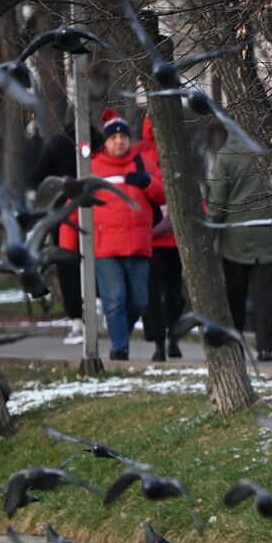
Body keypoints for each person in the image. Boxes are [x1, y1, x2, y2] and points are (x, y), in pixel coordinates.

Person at [57, 111, 165, 361]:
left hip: (139, 247)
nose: (119, 141)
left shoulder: (143, 164)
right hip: (106, 249)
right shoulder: (92, 167)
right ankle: (119, 350)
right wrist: (67, 248)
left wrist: (147, 183)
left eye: (123, 136)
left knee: (139, 302)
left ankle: (120, 334)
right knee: (114, 300)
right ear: (105, 142)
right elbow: (73, 208)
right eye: (113, 137)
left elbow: (161, 196)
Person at [208, 132, 272, 361]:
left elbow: (217, 203)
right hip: (265, 233)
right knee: (265, 295)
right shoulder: (269, 153)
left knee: (234, 295)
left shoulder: (227, 155)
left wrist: (210, 233)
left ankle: (235, 342)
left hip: (234, 237)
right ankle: (265, 347)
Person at [31, 115, 101, 346]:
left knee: (68, 267)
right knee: (97, 259)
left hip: (63, 215)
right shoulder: (100, 142)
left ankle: (76, 323)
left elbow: (37, 176)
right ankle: (99, 306)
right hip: (97, 212)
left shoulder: (58, 144)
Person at [136, 116, 185, 362]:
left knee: (153, 291)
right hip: (175, 236)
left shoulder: (139, 154)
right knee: (173, 289)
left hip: (151, 236)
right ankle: (172, 338)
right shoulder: (178, 148)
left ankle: (159, 342)